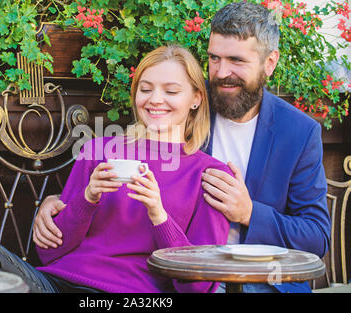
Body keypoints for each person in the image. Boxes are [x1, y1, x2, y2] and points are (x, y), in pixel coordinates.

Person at [35, 2, 331, 293]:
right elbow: (135, 148)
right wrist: (61, 203)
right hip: (157, 272)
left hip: (253, 277)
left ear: (270, 62)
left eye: (237, 61)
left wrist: (249, 212)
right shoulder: (179, 103)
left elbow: (316, 237)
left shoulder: (299, 132)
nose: (221, 72)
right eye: (215, 59)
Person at [0, 45, 232, 293]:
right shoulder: (98, 151)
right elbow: (49, 253)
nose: (155, 99)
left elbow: (198, 286)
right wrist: (87, 198)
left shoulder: (209, 175)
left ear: (196, 98)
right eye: (145, 89)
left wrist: (159, 214)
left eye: (171, 91)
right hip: (56, 284)